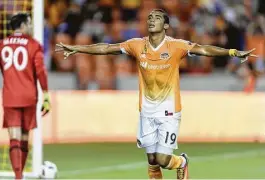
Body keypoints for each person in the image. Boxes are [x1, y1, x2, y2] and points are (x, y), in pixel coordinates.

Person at [56, 9, 256, 180]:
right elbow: (108, 48)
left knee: (162, 159)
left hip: (168, 111)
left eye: (157, 18)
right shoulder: (137, 44)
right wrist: (77, 49)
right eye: (150, 17)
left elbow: (203, 49)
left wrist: (231, 52)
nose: (151, 20)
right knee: (152, 161)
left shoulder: (175, 46)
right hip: (146, 112)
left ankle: (182, 162)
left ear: (166, 26)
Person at [0, 13, 50, 179]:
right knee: (25, 137)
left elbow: (2, 66)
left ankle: (18, 176)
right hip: (28, 95)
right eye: (30, 23)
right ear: (24, 24)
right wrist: (46, 94)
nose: (31, 26)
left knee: (14, 138)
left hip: (10, 95)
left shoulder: (1, 45)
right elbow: (40, 70)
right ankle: (20, 176)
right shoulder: (34, 45)